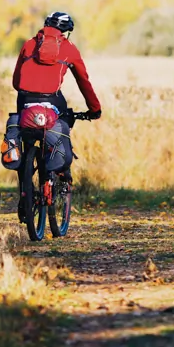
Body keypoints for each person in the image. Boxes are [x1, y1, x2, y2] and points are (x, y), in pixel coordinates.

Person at [12, 11, 102, 222]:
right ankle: (56, 171)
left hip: (25, 102)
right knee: (61, 121)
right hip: (51, 102)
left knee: (25, 145)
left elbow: (16, 81)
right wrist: (94, 109)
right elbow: (84, 82)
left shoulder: (28, 45)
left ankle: (25, 192)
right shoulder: (69, 49)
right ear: (66, 31)